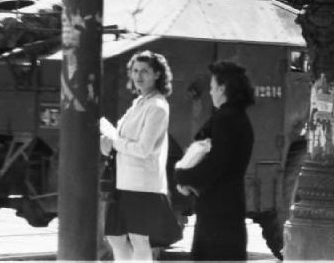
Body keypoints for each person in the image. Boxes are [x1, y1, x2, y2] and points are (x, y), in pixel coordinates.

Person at [100, 50, 181, 260]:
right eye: (135, 71)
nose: (138, 76)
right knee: (115, 237)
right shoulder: (139, 103)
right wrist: (108, 143)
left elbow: (144, 148)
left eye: (144, 71)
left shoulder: (157, 106)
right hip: (125, 181)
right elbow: (123, 138)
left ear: (157, 75)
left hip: (142, 183)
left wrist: (115, 143)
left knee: (139, 239)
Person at [174, 61, 255, 261]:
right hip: (230, 207)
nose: (210, 93)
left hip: (217, 211)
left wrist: (182, 176)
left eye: (212, 88)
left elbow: (216, 165)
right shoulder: (241, 118)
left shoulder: (225, 119)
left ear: (222, 88)